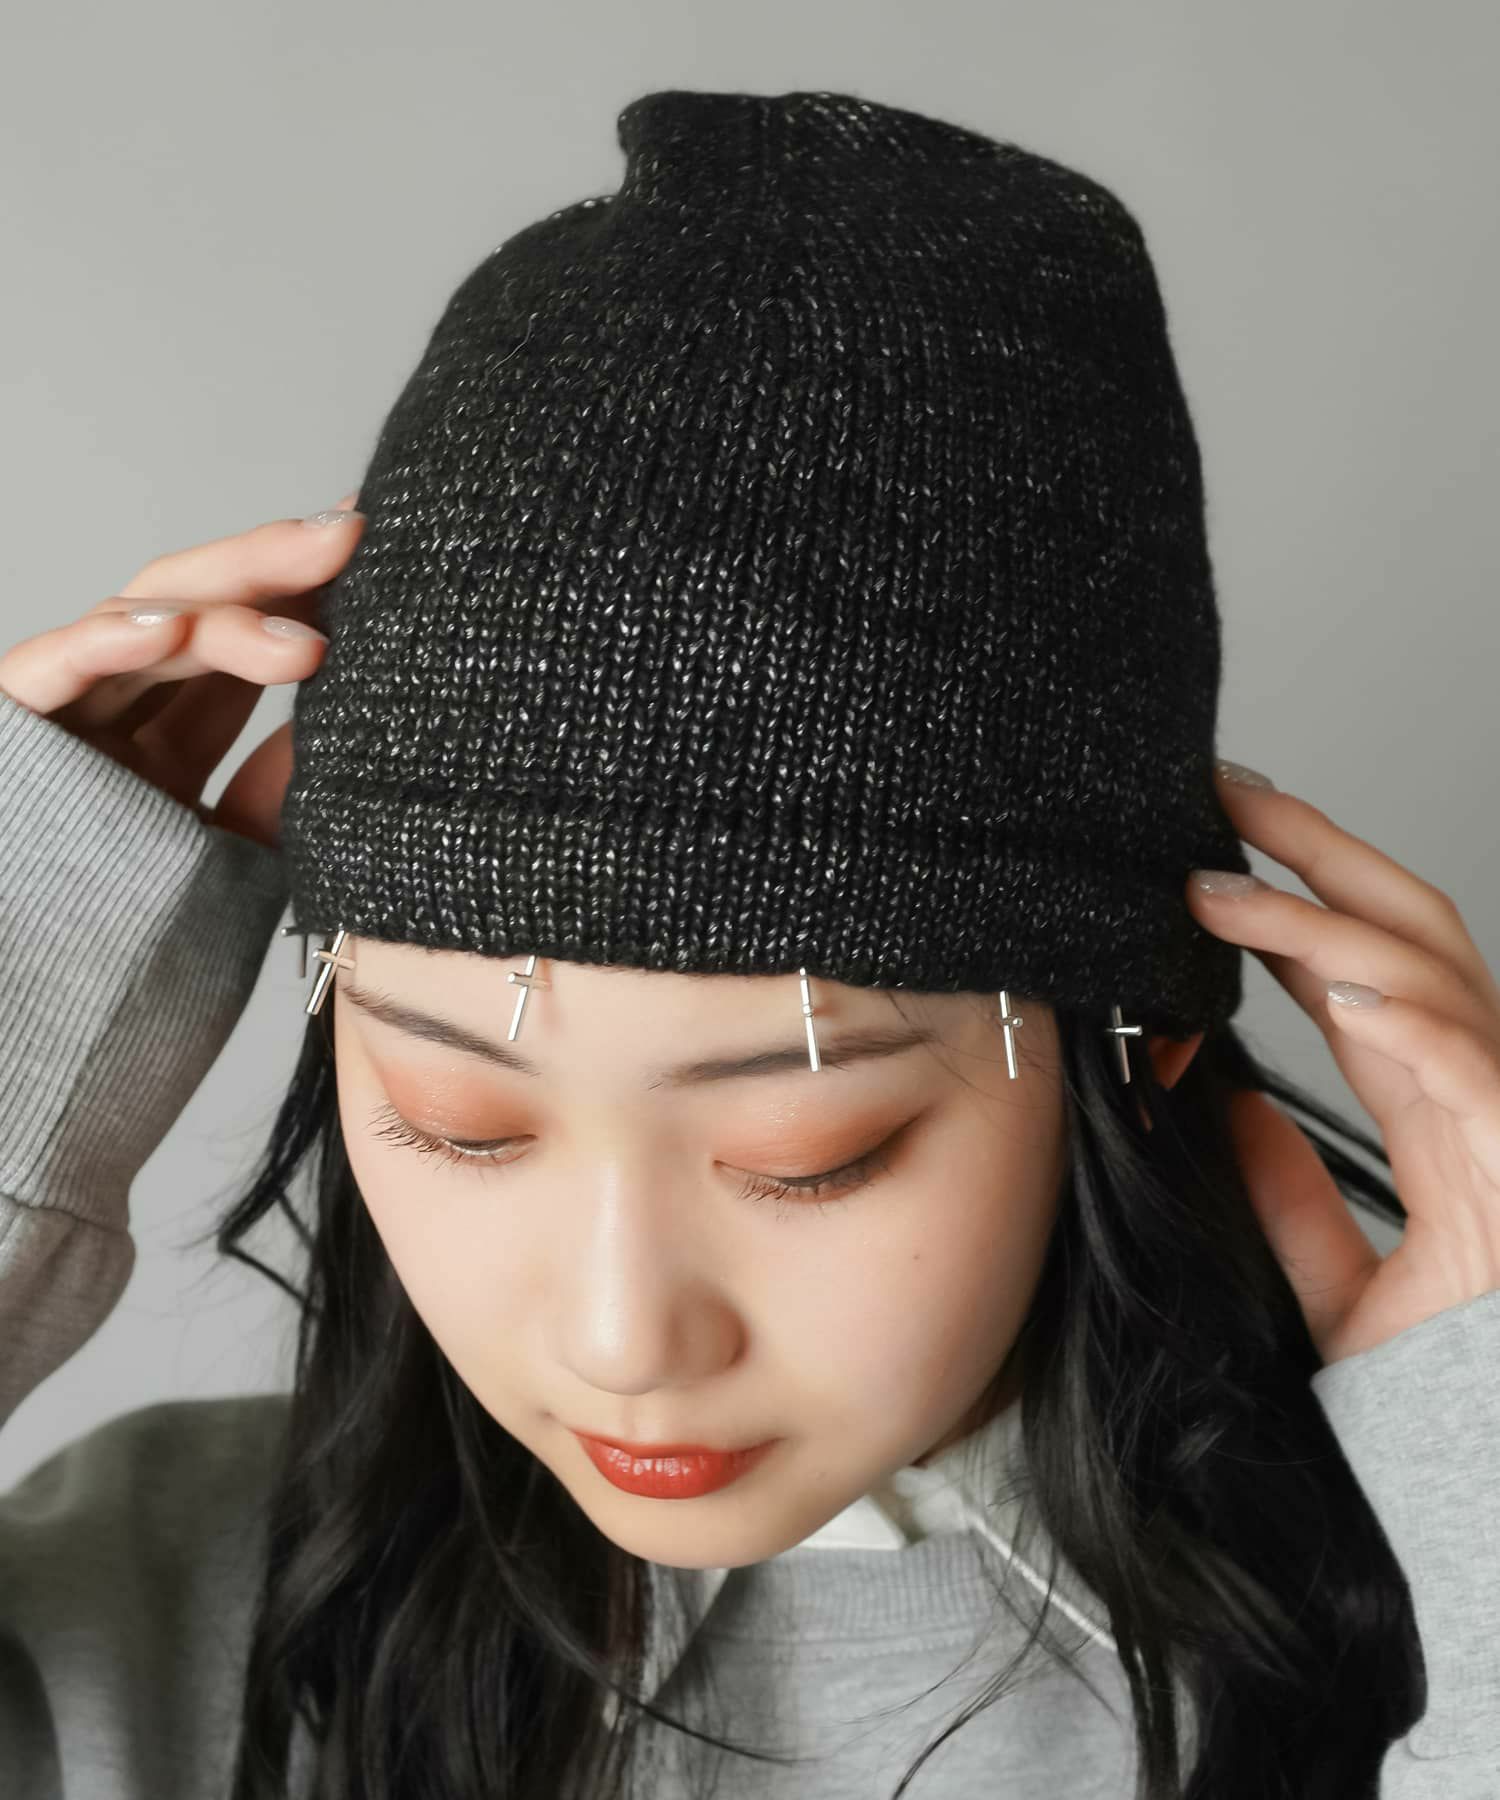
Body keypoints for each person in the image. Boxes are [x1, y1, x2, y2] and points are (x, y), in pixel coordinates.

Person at [1, 86, 1497, 1800]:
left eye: (808, 1156)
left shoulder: (1427, 1616)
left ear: (1136, 1042)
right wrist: (21, 981)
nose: (624, 1339)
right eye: (456, 1121)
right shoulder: (154, 1614)